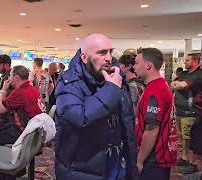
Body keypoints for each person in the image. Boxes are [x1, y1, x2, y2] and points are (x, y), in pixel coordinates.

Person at [55, 34, 137, 180]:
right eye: (101, 53)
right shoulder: (69, 82)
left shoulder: (116, 78)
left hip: (117, 162)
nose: (109, 58)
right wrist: (111, 89)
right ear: (84, 57)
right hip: (83, 167)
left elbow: (126, 122)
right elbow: (80, 118)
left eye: (110, 51)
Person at [133, 48, 177, 179]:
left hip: (154, 158)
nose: (134, 66)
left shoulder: (155, 90)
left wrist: (139, 160)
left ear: (148, 65)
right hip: (157, 155)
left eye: (136, 63)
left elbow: (151, 130)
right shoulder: (158, 85)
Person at [171, 52, 202, 174]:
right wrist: (177, 84)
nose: (185, 62)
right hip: (180, 111)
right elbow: (173, 84)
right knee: (182, 137)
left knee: (189, 138)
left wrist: (179, 85)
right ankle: (184, 158)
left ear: (195, 61)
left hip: (192, 111)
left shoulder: (199, 74)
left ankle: (192, 163)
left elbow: (181, 85)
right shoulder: (184, 73)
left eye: (187, 60)